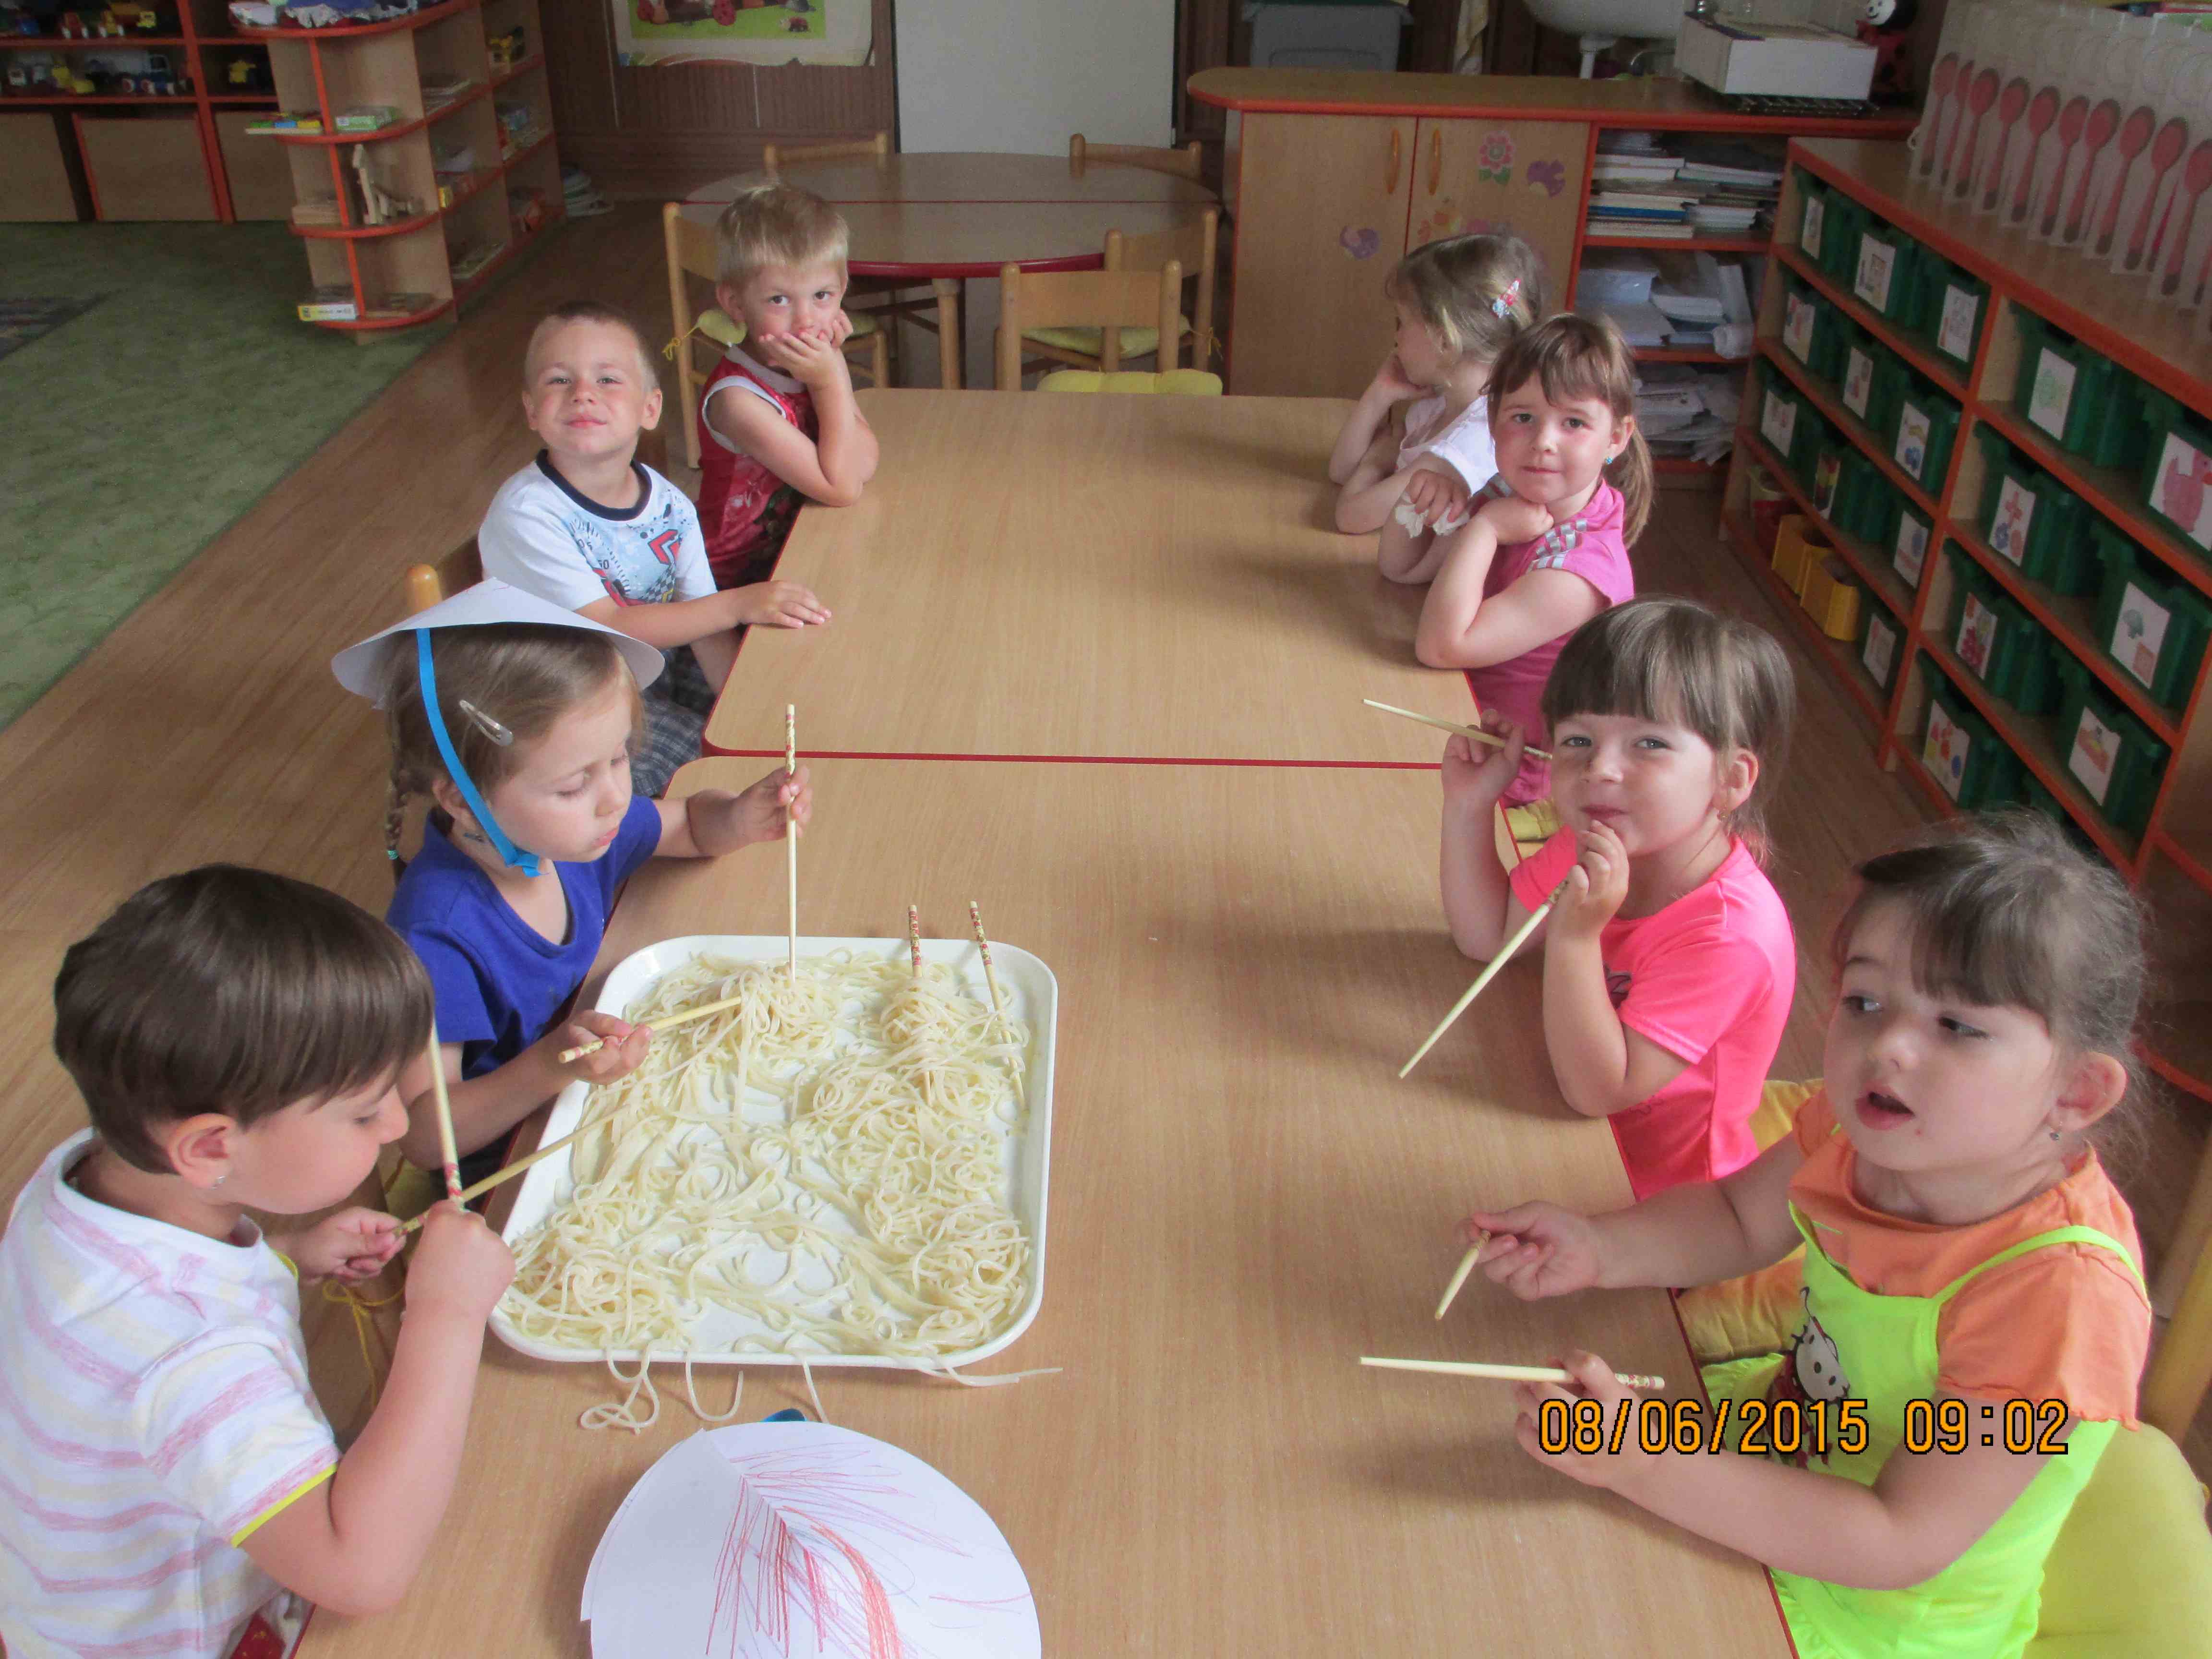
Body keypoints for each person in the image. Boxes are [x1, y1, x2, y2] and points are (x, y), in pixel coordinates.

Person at [1467, 811, 2153, 1659]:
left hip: (1868, 1613)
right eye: (1865, 1001)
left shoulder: (2058, 1300)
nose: (1886, 1046)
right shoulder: (1867, 1128)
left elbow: (1898, 1537)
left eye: (1957, 1027)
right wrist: (1598, 1247)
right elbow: (1737, 1217)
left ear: (2076, 1095)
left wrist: (1643, 1463)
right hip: (1773, 1446)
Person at [0, 866, 515, 1659]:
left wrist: (283, 1258)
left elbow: (130, 1323)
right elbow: (361, 1573)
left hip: (55, 1586)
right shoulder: (193, 1363)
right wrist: (447, 1314)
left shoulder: (79, 1178)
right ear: (211, 1148)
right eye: (364, 1110)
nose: (394, 1124)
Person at [332, 581, 811, 1188]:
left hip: (602, 1089)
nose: (615, 798)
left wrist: (740, 817)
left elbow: (690, 824)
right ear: (462, 800)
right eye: (572, 785)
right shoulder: (437, 936)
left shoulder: (573, 835)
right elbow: (428, 1138)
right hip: (522, 1163)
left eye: (619, 758)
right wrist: (550, 1066)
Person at [1440, 598, 1795, 1198]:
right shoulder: (1603, 836)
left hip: (1658, 1198)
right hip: (1556, 1118)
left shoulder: (1730, 935)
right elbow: (1488, 936)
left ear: (1730, 780)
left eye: (1649, 744)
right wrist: (1470, 806)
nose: (1600, 769)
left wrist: (1576, 936)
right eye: (1578, 739)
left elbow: (1597, 1093)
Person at [478, 298, 829, 797]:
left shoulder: (669, 504)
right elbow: (610, 625)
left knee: (781, 702)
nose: (582, 394)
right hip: (560, 708)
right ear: (532, 409)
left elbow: (706, 627)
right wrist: (737, 604)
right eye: (559, 380)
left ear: (650, 408)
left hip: (642, 673)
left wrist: (752, 716)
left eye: (607, 379)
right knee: (708, 769)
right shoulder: (528, 513)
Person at [1414, 313, 1649, 820]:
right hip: (1458, 724)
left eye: (1574, 423)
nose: (1543, 441)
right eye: (1522, 417)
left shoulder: (1579, 574)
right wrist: (1426, 491)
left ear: (1616, 437)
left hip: (1507, 782)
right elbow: (1406, 571)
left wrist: (1482, 530)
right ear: (1492, 420)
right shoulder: (1515, 494)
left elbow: (1441, 647)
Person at [1327, 233, 1541, 583]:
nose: (1396, 337)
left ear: (1444, 340)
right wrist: (1379, 395)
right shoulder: (1441, 402)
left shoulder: (1469, 441)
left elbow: (1351, 516)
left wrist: (1376, 460)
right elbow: (1340, 472)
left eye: (1402, 323)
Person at [698, 183, 880, 589]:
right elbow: (842, 488)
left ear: (843, 289)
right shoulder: (737, 401)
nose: (806, 320)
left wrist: (831, 370)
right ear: (735, 303)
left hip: (805, 548)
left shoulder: (816, 365)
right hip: (736, 585)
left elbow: (865, 461)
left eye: (821, 295)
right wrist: (830, 381)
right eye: (779, 300)